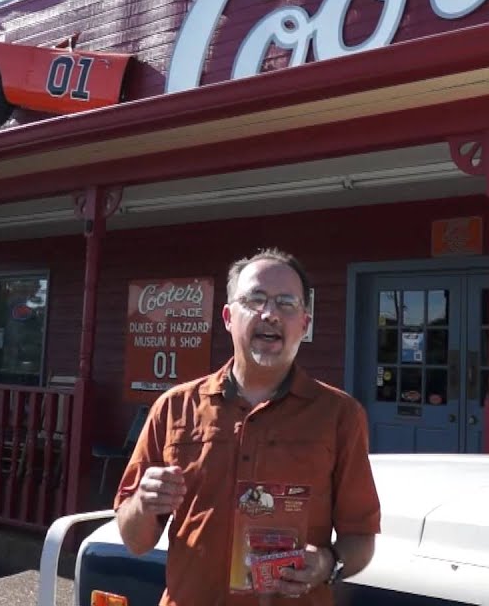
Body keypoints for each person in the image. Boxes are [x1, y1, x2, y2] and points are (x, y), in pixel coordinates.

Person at [115, 248, 380, 605]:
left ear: (304, 322)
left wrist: (327, 563)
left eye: (286, 303)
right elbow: (135, 539)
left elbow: (360, 537)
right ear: (228, 316)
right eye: (255, 299)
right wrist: (144, 504)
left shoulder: (341, 416)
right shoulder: (173, 408)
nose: (269, 314)